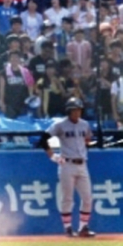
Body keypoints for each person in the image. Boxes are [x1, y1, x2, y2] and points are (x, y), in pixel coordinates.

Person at [38, 98, 95, 238]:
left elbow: (87, 139)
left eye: (79, 110)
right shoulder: (60, 125)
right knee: (67, 198)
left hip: (82, 164)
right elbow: (43, 139)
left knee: (87, 198)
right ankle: (68, 228)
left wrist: (88, 144)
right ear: (69, 111)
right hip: (66, 164)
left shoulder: (85, 124)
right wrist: (52, 156)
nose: (77, 112)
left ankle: (83, 228)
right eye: (74, 110)